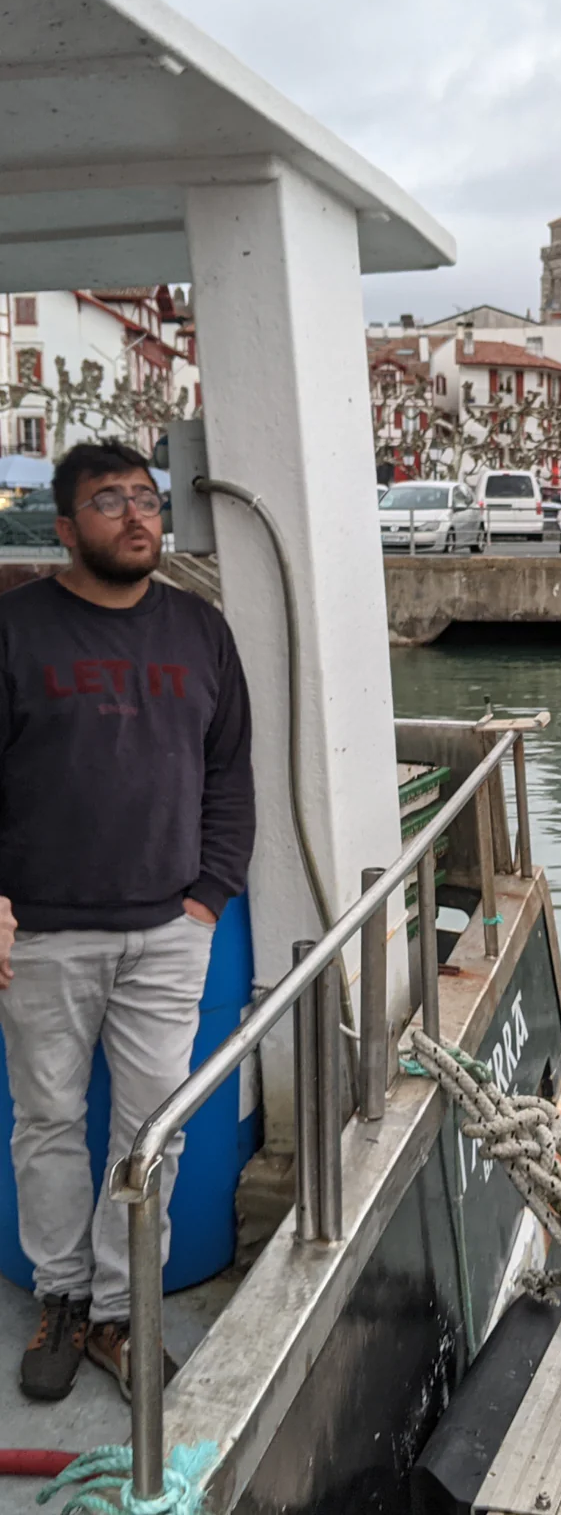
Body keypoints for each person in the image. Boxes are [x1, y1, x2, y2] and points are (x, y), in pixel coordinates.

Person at [0, 440, 253, 1402]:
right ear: (65, 527)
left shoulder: (198, 629)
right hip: (44, 933)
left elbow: (230, 771)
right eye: (109, 502)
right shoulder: (16, 629)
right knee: (48, 1122)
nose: (137, 516)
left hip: (170, 931)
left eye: (146, 498)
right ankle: (61, 1298)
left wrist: (207, 897)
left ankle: (119, 1311)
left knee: (152, 1134)